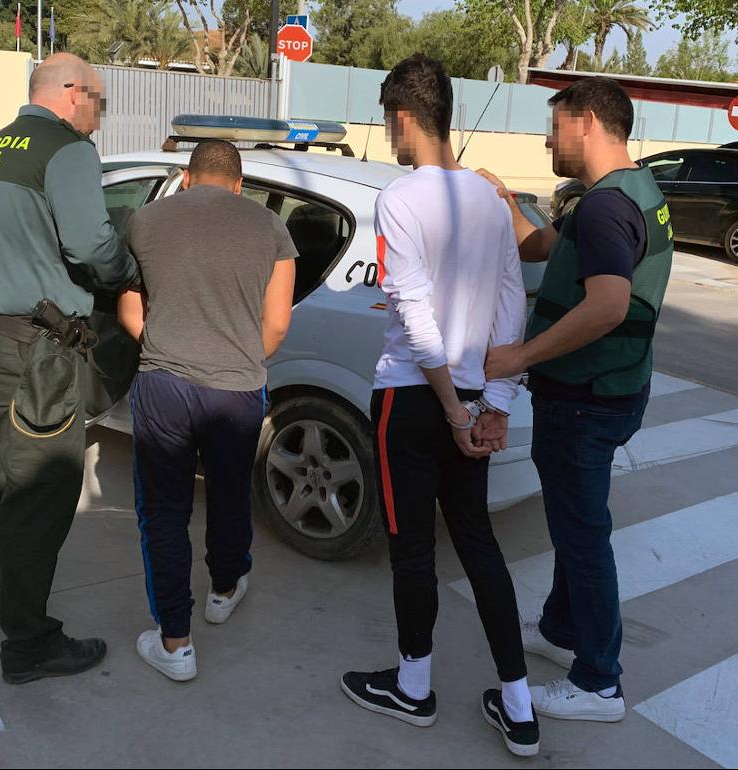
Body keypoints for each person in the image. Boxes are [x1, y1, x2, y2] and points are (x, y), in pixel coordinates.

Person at [338, 54, 538, 758]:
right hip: (475, 396)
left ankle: (414, 688)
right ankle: (518, 706)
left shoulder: (400, 196)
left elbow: (416, 317)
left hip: (414, 399)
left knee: (412, 547)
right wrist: (496, 403)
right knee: (477, 542)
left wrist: (456, 409)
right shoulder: (491, 199)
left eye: (388, 125)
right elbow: (514, 306)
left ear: (402, 119)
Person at [477, 76, 673, 723]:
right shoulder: (628, 192)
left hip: (586, 401)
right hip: (615, 390)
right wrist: (505, 201)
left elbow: (610, 304)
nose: (546, 138)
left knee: (584, 538)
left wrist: (519, 356)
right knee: (572, 523)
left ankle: (599, 684)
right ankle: (562, 631)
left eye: (554, 124)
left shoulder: (605, 208)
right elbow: (543, 248)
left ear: (586, 121)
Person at [0, 53, 140, 685]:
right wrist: (129, 272)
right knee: (42, 491)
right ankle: (29, 644)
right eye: (99, 103)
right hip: (30, 354)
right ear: (72, 94)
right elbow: (91, 244)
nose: (99, 117)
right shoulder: (67, 148)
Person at [117, 140, 297, 683]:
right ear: (240, 184)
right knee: (228, 492)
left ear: (188, 178)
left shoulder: (144, 221)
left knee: (165, 513)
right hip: (238, 389)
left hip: (164, 386)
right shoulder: (270, 228)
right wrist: (237, 359)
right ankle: (223, 590)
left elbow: (130, 309)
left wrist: (172, 348)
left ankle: (175, 643)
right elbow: (279, 322)